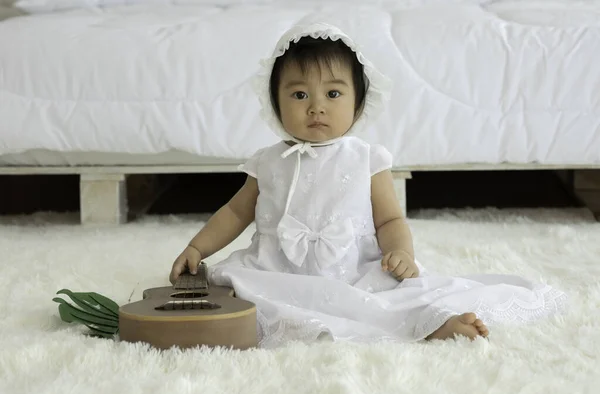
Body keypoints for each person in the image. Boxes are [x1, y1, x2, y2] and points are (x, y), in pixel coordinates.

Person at [169, 23, 567, 348]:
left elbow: (390, 218)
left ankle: (435, 324)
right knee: (238, 295)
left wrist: (400, 253)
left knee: (385, 304)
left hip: (353, 270)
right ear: (275, 102)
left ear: (358, 103)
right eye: (299, 94)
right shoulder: (269, 160)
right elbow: (236, 212)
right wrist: (198, 247)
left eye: (334, 93)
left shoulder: (365, 159)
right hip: (278, 269)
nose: (316, 106)